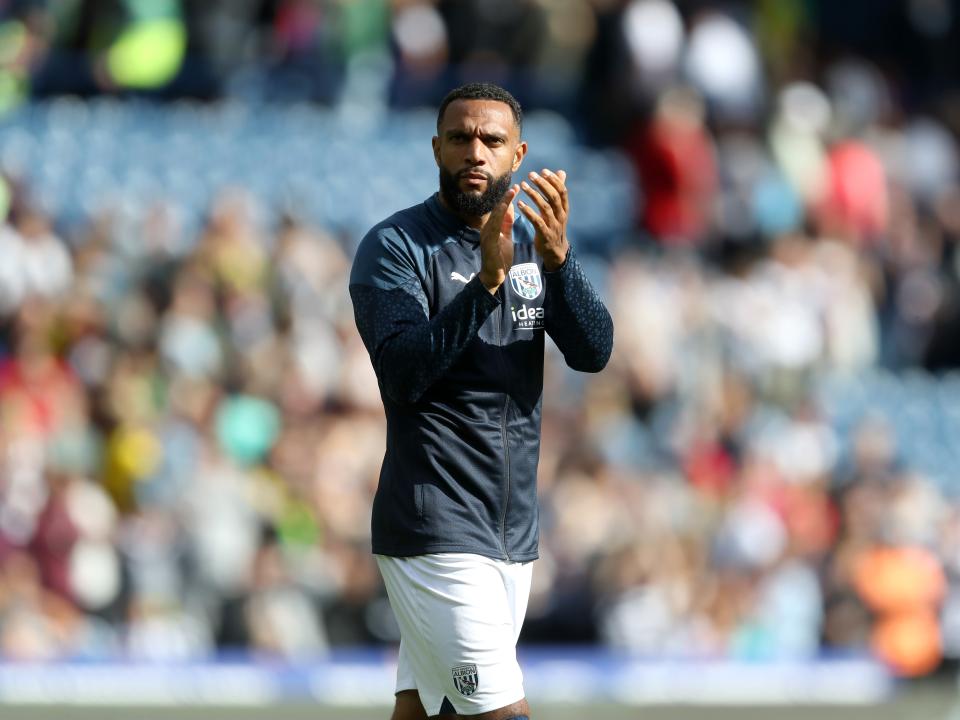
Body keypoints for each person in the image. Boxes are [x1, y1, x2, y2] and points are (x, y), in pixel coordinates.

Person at [349, 82, 613, 720]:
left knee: (426, 711)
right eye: (461, 138)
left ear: (516, 153)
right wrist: (486, 286)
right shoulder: (395, 248)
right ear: (435, 147)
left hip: (510, 532)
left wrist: (562, 265)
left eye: (491, 141)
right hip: (434, 525)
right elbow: (405, 372)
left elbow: (593, 351)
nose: (475, 152)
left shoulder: (534, 245)